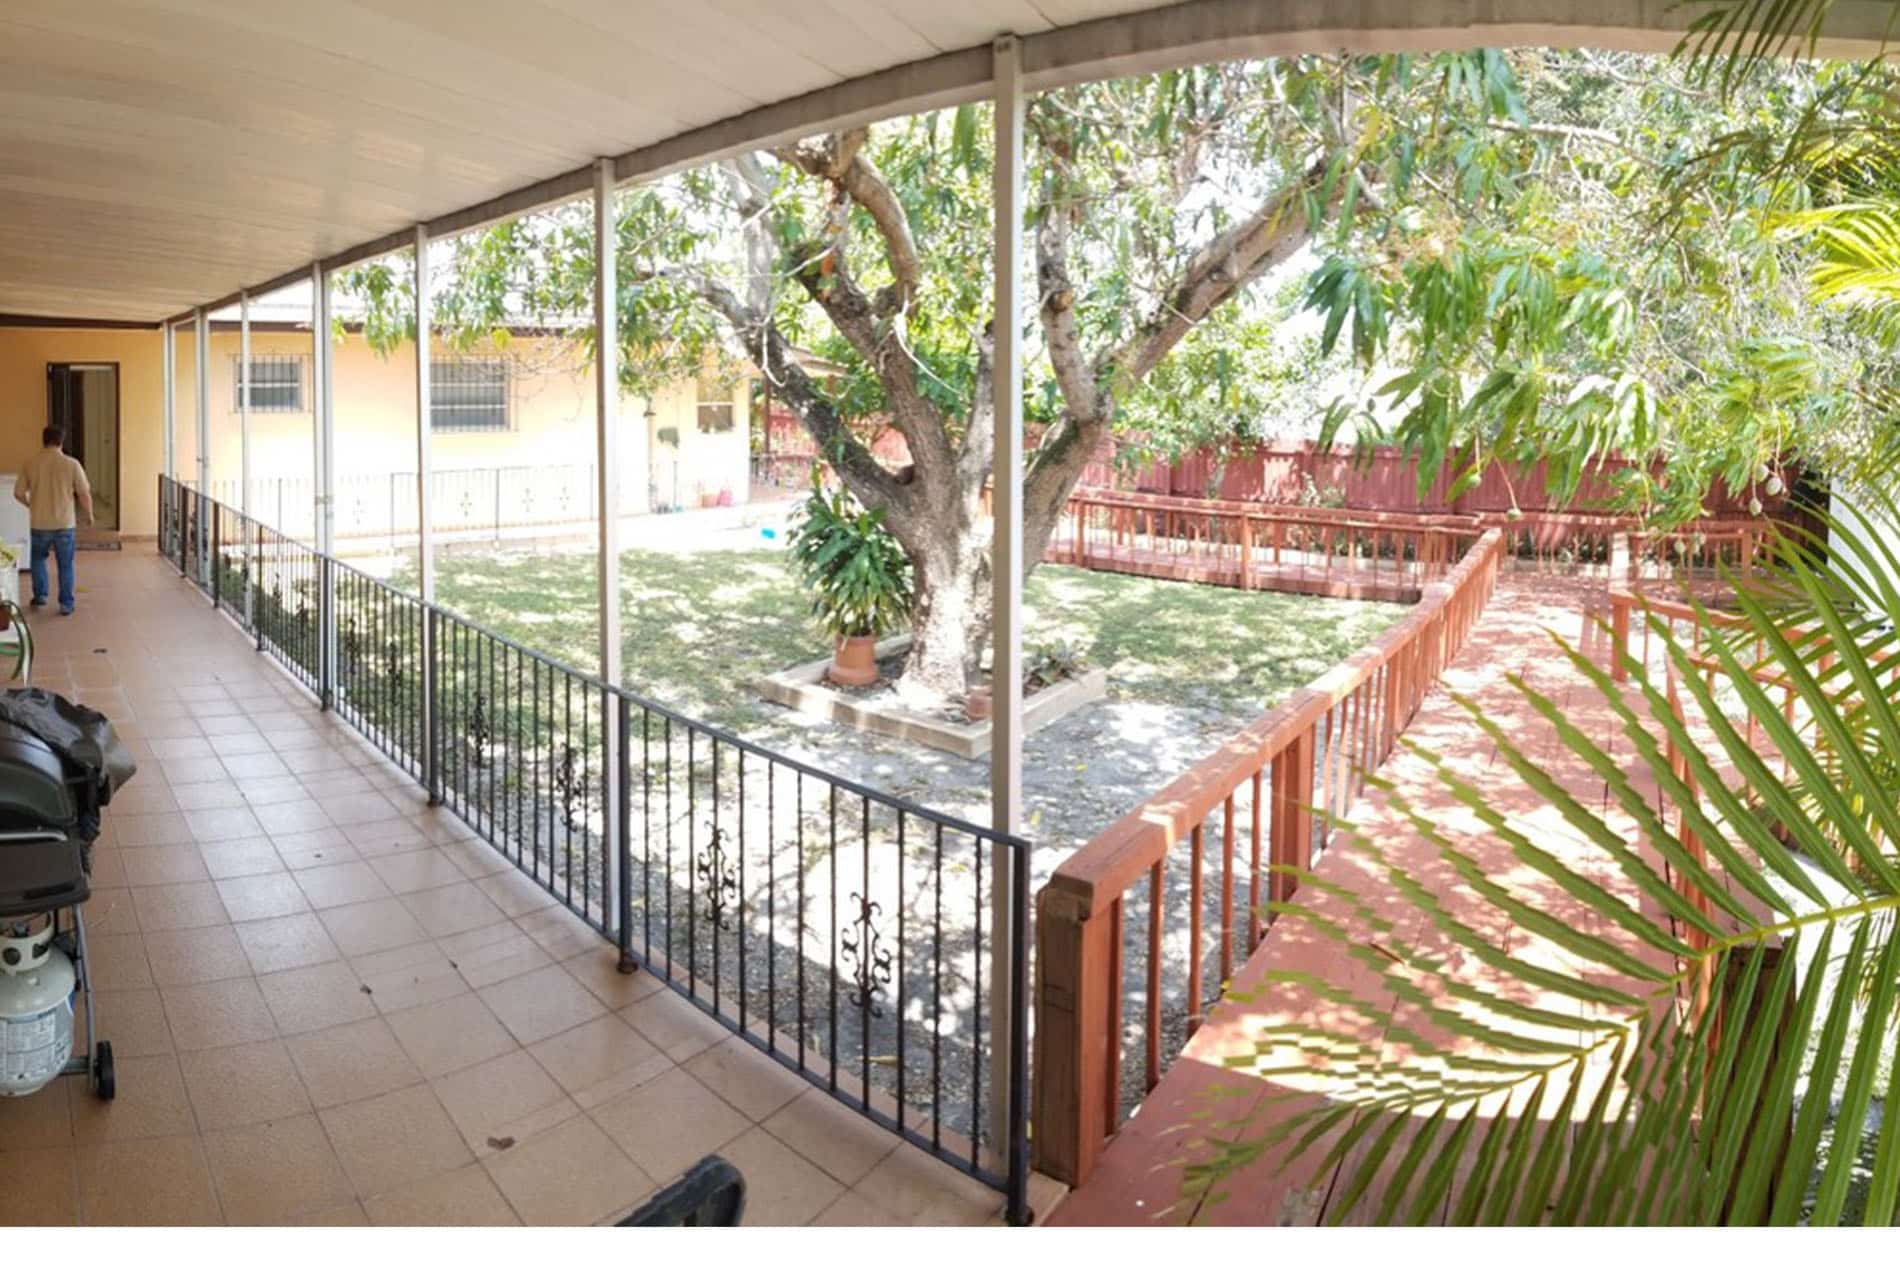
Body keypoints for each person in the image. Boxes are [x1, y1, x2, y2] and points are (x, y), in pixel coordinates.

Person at [13, 427, 93, 615]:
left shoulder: (30, 463)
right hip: (64, 524)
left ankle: (40, 596)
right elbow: (83, 493)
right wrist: (89, 514)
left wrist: (31, 505)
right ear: (61, 442)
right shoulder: (72, 464)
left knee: (38, 560)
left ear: (44, 440)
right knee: (66, 564)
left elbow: (17, 493)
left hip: (39, 523)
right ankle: (66, 604)